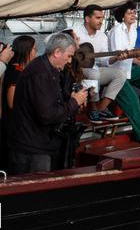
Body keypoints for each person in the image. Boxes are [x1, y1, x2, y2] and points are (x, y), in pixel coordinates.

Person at [9, 32, 88, 173]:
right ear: (57, 52)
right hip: (32, 148)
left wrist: (73, 100)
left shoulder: (48, 70)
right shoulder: (40, 74)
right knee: (35, 189)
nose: (70, 61)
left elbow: (54, 102)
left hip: (39, 143)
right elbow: (48, 114)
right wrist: (74, 102)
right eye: (69, 56)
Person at [72, 5, 127, 123]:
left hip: (93, 69)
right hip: (76, 70)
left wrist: (115, 58)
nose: (101, 21)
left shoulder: (102, 36)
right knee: (94, 74)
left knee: (120, 74)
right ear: (87, 19)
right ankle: (93, 109)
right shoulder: (74, 31)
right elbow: (51, 41)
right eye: (98, 18)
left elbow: (105, 60)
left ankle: (102, 108)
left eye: (102, 18)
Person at [108, 2, 140, 118]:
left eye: (134, 13)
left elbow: (130, 56)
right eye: (129, 13)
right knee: (133, 100)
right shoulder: (117, 30)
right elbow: (118, 56)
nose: (133, 15)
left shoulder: (133, 30)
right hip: (116, 72)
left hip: (128, 71)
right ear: (122, 16)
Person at [1, 35, 37, 147]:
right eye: (34, 49)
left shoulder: (19, 69)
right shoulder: (15, 72)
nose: (36, 52)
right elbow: (12, 102)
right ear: (27, 51)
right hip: (14, 124)